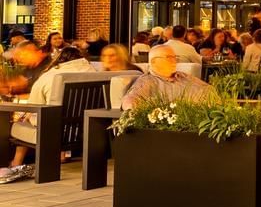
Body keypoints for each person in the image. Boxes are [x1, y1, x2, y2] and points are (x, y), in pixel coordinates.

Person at [0, 46, 97, 182]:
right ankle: (61, 154)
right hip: (86, 129)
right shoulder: (94, 72)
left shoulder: (50, 76)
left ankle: (15, 163)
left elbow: (33, 104)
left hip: (55, 129)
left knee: (22, 120)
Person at [121, 43, 216, 109]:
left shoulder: (182, 75)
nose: (174, 61)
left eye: (174, 57)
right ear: (154, 61)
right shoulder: (148, 81)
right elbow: (130, 101)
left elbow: (207, 88)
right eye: (169, 58)